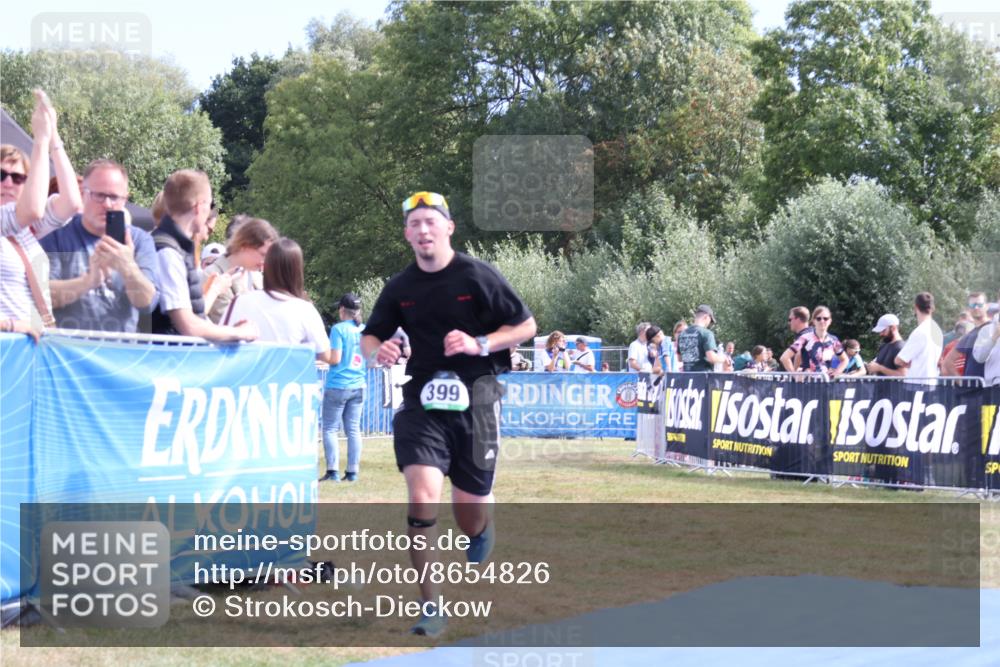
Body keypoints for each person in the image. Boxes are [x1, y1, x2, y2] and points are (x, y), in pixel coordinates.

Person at [360, 191, 536, 637]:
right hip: (422, 400)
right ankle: (431, 608)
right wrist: (378, 350)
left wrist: (480, 343)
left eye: (430, 222)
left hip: (477, 399)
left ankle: (482, 526)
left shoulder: (477, 275)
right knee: (421, 498)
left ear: (448, 228)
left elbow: (525, 326)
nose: (422, 230)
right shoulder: (400, 287)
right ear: (406, 234)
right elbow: (371, 336)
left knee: (468, 510)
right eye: (414, 224)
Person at [41, 159, 158, 332]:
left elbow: (148, 303)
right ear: (83, 194)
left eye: (114, 197)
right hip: (68, 352)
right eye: (99, 195)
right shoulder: (57, 238)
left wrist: (128, 267)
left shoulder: (139, 240)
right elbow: (42, 297)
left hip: (119, 354)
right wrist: (88, 281)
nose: (107, 204)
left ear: (125, 199)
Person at [1, 91, 82, 336]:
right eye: (0, 175)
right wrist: (39, 141)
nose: (8, 183)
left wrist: (53, 135)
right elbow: (33, 208)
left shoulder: (25, 231)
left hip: (27, 350)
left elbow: (71, 202)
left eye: (18, 177)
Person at [151, 169, 257, 343]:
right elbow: (187, 325)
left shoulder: (174, 248)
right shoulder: (168, 252)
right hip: (169, 361)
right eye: (209, 204)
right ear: (199, 206)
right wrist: (239, 333)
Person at [224, 238, 330, 358]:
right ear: (297, 270)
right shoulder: (305, 310)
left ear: (267, 266)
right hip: (287, 375)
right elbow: (326, 356)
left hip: (246, 374)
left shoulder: (240, 301)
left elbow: (219, 340)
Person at [319, 293, 366, 483]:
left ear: (341, 310)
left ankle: (333, 472)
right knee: (353, 430)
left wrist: (320, 355)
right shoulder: (364, 329)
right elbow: (370, 360)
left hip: (338, 384)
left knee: (330, 429)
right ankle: (352, 472)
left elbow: (335, 359)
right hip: (359, 385)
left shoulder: (338, 330)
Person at [202, 217, 278, 323]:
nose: (265, 261)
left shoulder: (257, 277)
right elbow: (227, 322)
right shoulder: (210, 275)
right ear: (244, 246)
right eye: (262, 254)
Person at [894, 292, 942, 384]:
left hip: (917, 383)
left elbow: (899, 360)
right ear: (933, 308)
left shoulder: (920, 331)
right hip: (932, 382)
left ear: (915, 307)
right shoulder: (937, 330)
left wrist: (913, 364)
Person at [943, 292, 990, 378]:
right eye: (972, 305)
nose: (976, 308)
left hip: (990, 386)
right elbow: (948, 362)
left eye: (979, 304)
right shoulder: (969, 335)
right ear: (968, 309)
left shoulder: (994, 327)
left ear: (987, 306)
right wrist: (961, 382)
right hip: (970, 387)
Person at [795, 306, 847, 376]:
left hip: (825, 382)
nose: (822, 321)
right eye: (818, 318)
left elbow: (845, 360)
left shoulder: (834, 340)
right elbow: (790, 357)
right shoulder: (805, 338)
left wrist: (837, 372)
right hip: (807, 382)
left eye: (825, 318)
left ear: (830, 321)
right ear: (813, 320)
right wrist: (794, 375)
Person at [676, 305, 724, 372]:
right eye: (710, 321)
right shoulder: (707, 333)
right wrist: (723, 358)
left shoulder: (682, 334)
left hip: (687, 376)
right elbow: (711, 358)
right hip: (703, 377)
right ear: (706, 317)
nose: (709, 324)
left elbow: (679, 358)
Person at [779, 306, 813, 372]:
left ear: (798, 319)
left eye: (790, 319)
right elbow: (799, 354)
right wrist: (795, 371)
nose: (789, 323)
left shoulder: (803, 336)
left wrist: (794, 376)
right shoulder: (814, 332)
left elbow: (784, 358)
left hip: (811, 378)